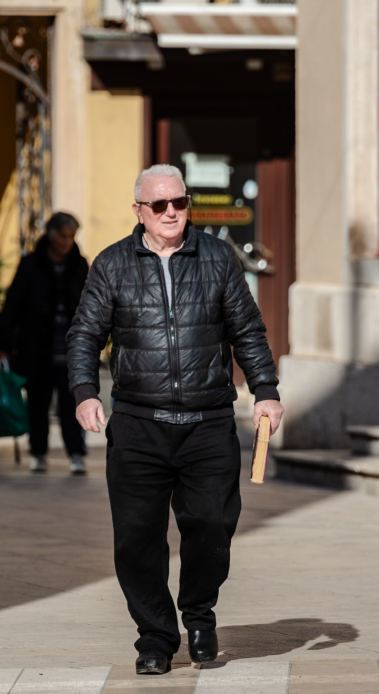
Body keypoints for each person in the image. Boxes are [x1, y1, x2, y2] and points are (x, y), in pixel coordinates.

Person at [67, 165, 283, 675]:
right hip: (139, 425)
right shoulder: (112, 264)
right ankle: (156, 638)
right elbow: (84, 334)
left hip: (208, 422)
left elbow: (246, 328)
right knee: (137, 539)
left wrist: (266, 391)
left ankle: (199, 615)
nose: (171, 213)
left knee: (212, 524)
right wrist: (83, 393)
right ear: (139, 210)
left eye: (180, 203)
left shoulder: (216, 258)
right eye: (159, 205)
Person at [0, 212, 90, 474]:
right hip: (38, 347)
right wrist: (3, 342)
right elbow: (12, 305)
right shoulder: (31, 264)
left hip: (71, 348)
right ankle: (38, 452)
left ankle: (76, 453)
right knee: (38, 403)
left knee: (71, 404)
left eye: (71, 236)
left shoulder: (79, 264)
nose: (67, 241)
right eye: (63, 236)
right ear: (51, 235)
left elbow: (91, 303)